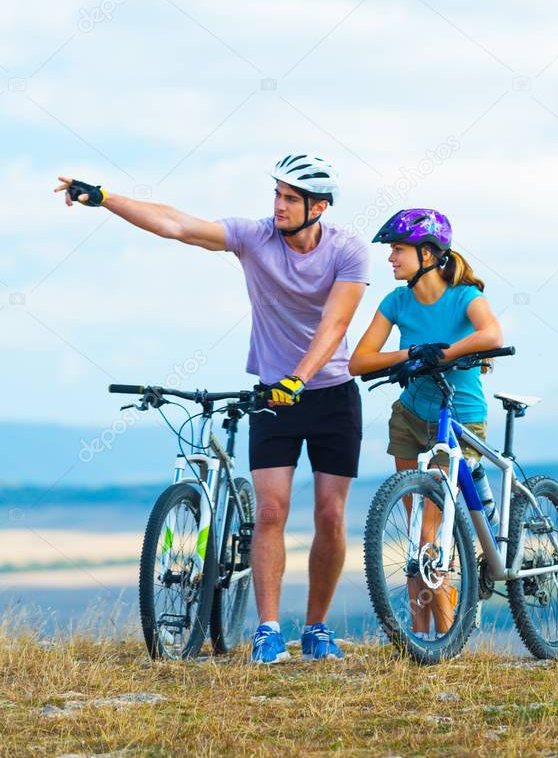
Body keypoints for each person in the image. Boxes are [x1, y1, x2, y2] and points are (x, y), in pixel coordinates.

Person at [54, 153, 369, 663]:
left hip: (331, 393)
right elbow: (177, 224)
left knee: (331, 515)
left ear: (320, 206)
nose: (278, 206)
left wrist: (300, 378)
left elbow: (335, 325)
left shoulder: (347, 251)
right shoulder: (254, 236)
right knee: (270, 511)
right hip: (272, 396)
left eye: (291, 198)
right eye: (277, 194)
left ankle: (316, 628)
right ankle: (268, 631)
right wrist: (107, 198)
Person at [348, 207, 503, 636]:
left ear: (429, 253)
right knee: (419, 528)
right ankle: (421, 638)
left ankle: (445, 635)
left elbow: (492, 335)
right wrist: (412, 354)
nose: (390, 258)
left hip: (459, 418)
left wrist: (445, 352)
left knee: (429, 531)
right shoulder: (396, 302)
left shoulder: (464, 296)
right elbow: (360, 361)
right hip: (411, 416)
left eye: (398, 249)